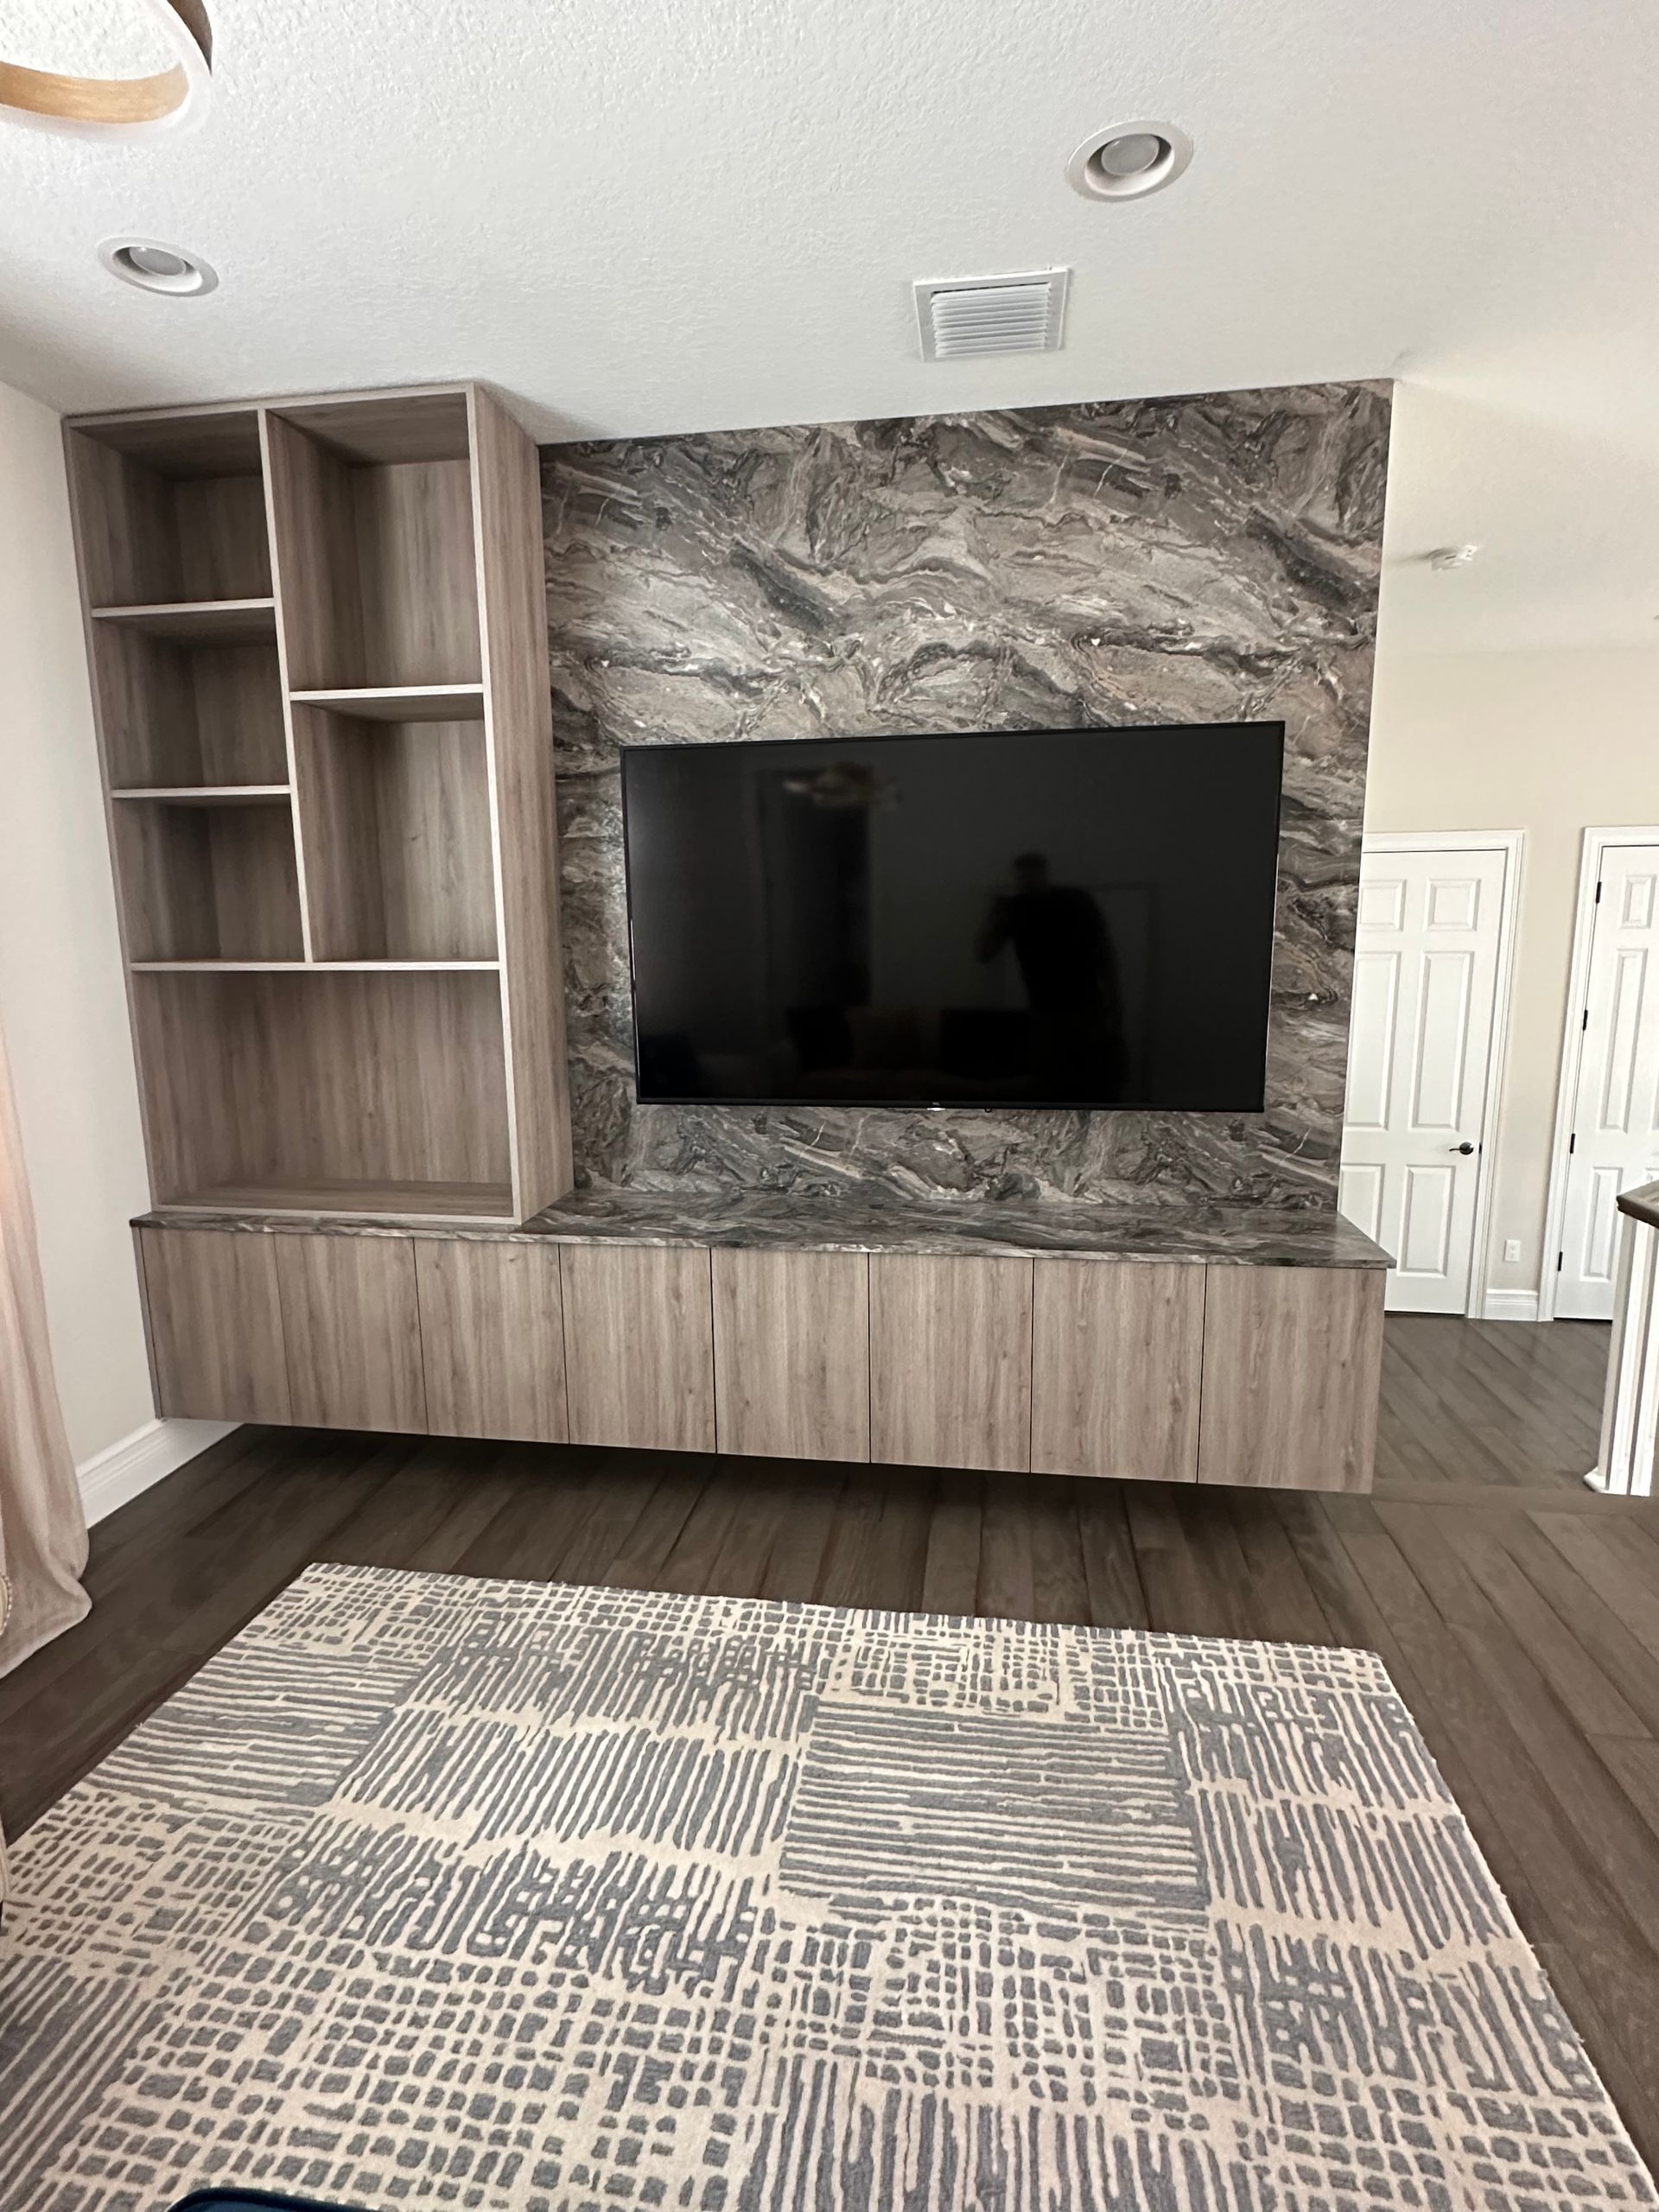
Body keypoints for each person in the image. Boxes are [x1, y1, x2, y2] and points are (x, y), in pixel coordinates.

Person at [975, 852, 1128, 1101]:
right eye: (1021, 876)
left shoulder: (1074, 901)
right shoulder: (1015, 909)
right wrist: (994, 915)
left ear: (1043, 874)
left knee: (1093, 1077)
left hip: (1084, 1007)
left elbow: (1104, 952)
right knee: (1052, 1082)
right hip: (1048, 1011)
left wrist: (1115, 999)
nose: (1026, 881)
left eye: (1030, 874)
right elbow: (983, 953)